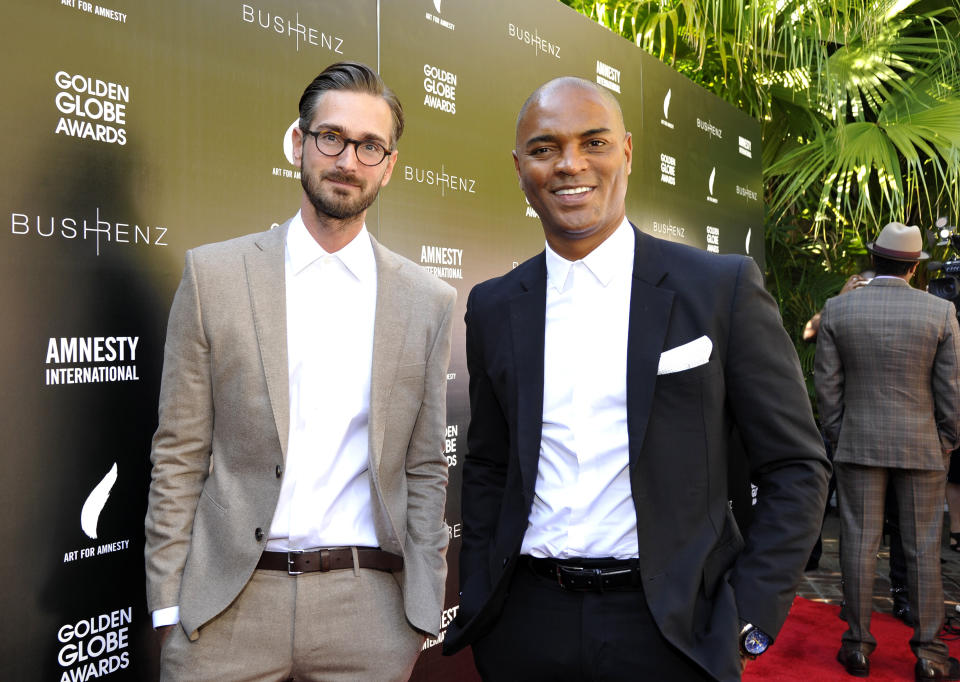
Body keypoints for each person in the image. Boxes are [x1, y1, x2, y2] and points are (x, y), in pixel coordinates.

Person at [443, 76, 830, 682]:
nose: (571, 164)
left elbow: (797, 466)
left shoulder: (717, 288)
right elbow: (489, 464)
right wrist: (484, 593)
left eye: (592, 142)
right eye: (545, 149)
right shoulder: (493, 305)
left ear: (626, 151)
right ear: (520, 169)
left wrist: (748, 615)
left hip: (670, 632)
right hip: (525, 625)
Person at [144, 61, 456, 681]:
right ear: (299, 142)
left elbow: (425, 466)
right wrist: (167, 607)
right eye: (331, 137)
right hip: (228, 606)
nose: (348, 160)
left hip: (368, 611)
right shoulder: (215, 278)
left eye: (370, 146)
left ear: (389, 165)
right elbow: (179, 454)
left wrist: (421, 605)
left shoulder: (427, 301)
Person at [815, 221, 960, 680]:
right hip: (923, 446)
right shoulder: (939, 313)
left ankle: (856, 646)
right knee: (923, 548)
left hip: (858, 443)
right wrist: (945, 440)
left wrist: (840, 434)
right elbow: (951, 390)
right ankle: (931, 655)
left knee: (858, 544)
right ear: (915, 266)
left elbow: (827, 387)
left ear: (873, 259)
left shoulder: (839, 310)